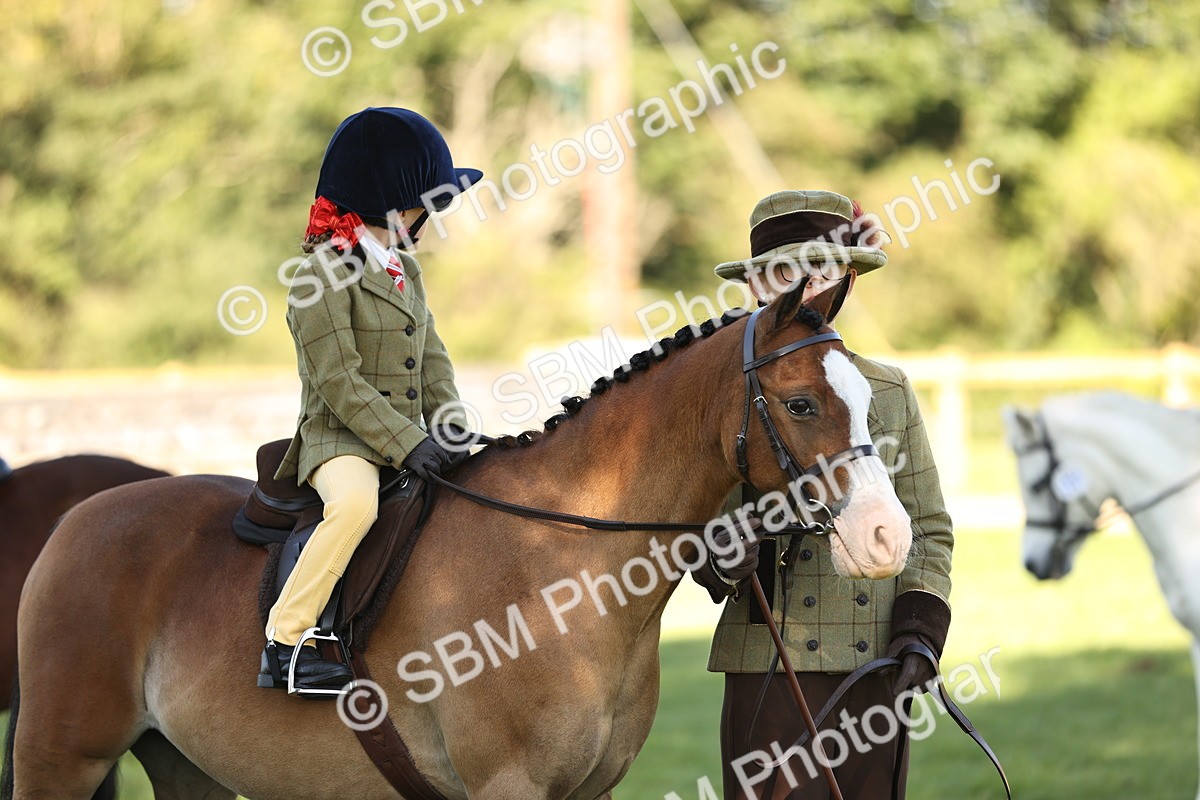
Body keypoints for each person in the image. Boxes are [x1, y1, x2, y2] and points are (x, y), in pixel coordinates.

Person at [693, 190, 954, 798]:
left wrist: (920, 628)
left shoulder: (888, 390)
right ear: (758, 284)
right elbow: (698, 524)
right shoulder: (724, 394)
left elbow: (930, 526)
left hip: (874, 659)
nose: (807, 289)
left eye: (824, 271)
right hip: (768, 662)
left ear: (849, 279)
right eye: (787, 273)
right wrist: (719, 558)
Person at [259, 107, 482, 693]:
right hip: (342, 440)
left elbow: (431, 359)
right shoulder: (319, 277)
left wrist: (455, 431)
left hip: (404, 440)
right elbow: (339, 383)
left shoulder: (404, 268)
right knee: (356, 507)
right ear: (392, 202)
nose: (433, 218)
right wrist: (411, 444)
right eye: (428, 206)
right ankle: (286, 639)